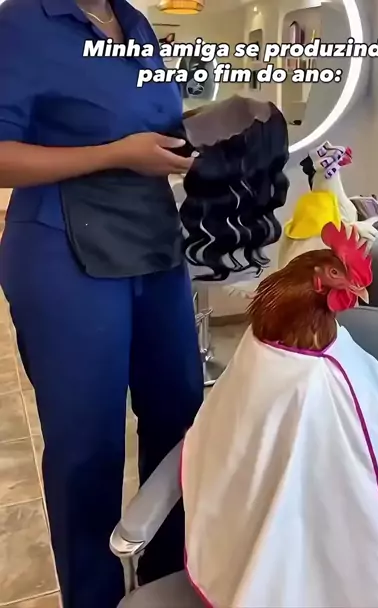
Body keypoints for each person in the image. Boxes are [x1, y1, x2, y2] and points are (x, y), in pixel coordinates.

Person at [0, 0, 204, 607]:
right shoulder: (20, 24)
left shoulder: (136, 25)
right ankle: (91, 598)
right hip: (62, 251)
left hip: (153, 244)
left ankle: (167, 584)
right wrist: (116, 155)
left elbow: (145, 123)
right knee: (87, 446)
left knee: (180, 421)